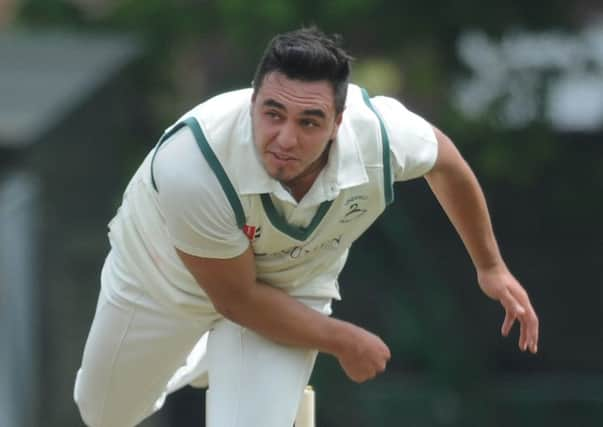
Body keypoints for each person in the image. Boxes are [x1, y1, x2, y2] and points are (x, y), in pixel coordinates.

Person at [74, 27, 539, 427]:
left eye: (309, 121)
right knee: (104, 414)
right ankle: (199, 353)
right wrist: (346, 341)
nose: (286, 138)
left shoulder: (380, 136)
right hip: (164, 281)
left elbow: (447, 163)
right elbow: (236, 299)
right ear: (253, 103)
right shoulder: (192, 165)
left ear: (338, 122)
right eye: (273, 114)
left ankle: (219, 355)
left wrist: (491, 266)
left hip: (291, 286)